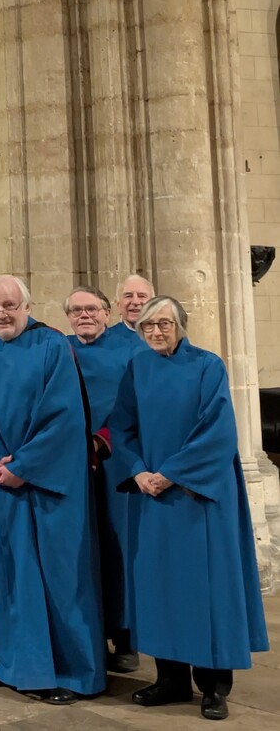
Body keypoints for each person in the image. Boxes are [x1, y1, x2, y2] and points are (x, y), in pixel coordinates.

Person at [108, 296, 269, 722]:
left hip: (199, 498)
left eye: (163, 324)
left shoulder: (207, 365)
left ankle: (214, 687)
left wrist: (172, 473)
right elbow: (122, 426)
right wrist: (140, 471)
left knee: (205, 590)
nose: (156, 332)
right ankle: (170, 679)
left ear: (181, 325)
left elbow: (217, 431)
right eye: (148, 327)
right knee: (161, 589)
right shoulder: (137, 368)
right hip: (154, 498)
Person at [0, 274, 105, 704]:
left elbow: (63, 416)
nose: (1, 313)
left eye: (10, 305)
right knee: (8, 577)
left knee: (58, 578)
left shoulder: (52, 346)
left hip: (48, 487)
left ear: (27, 305)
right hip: (1, 483)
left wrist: (23, 466)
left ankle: (70, 671)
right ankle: (9, 664)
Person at [64, 285, 145, 673]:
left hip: (115, 461)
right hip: (68, 463)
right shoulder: (59, 349)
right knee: (80, 547)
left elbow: (135, 404)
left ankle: (126, 636)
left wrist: (102, 440)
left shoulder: (132, 350)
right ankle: (88, 636)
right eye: (76, 310)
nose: (85, 316)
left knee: (117, 546)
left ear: (107, 313)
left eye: (92, 309)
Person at [109, 275, 155, 344]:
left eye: (141, 296)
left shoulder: (165, 337)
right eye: (128, 296)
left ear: (153, 304)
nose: (135, 302)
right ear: (118, 305)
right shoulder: (106, 339)